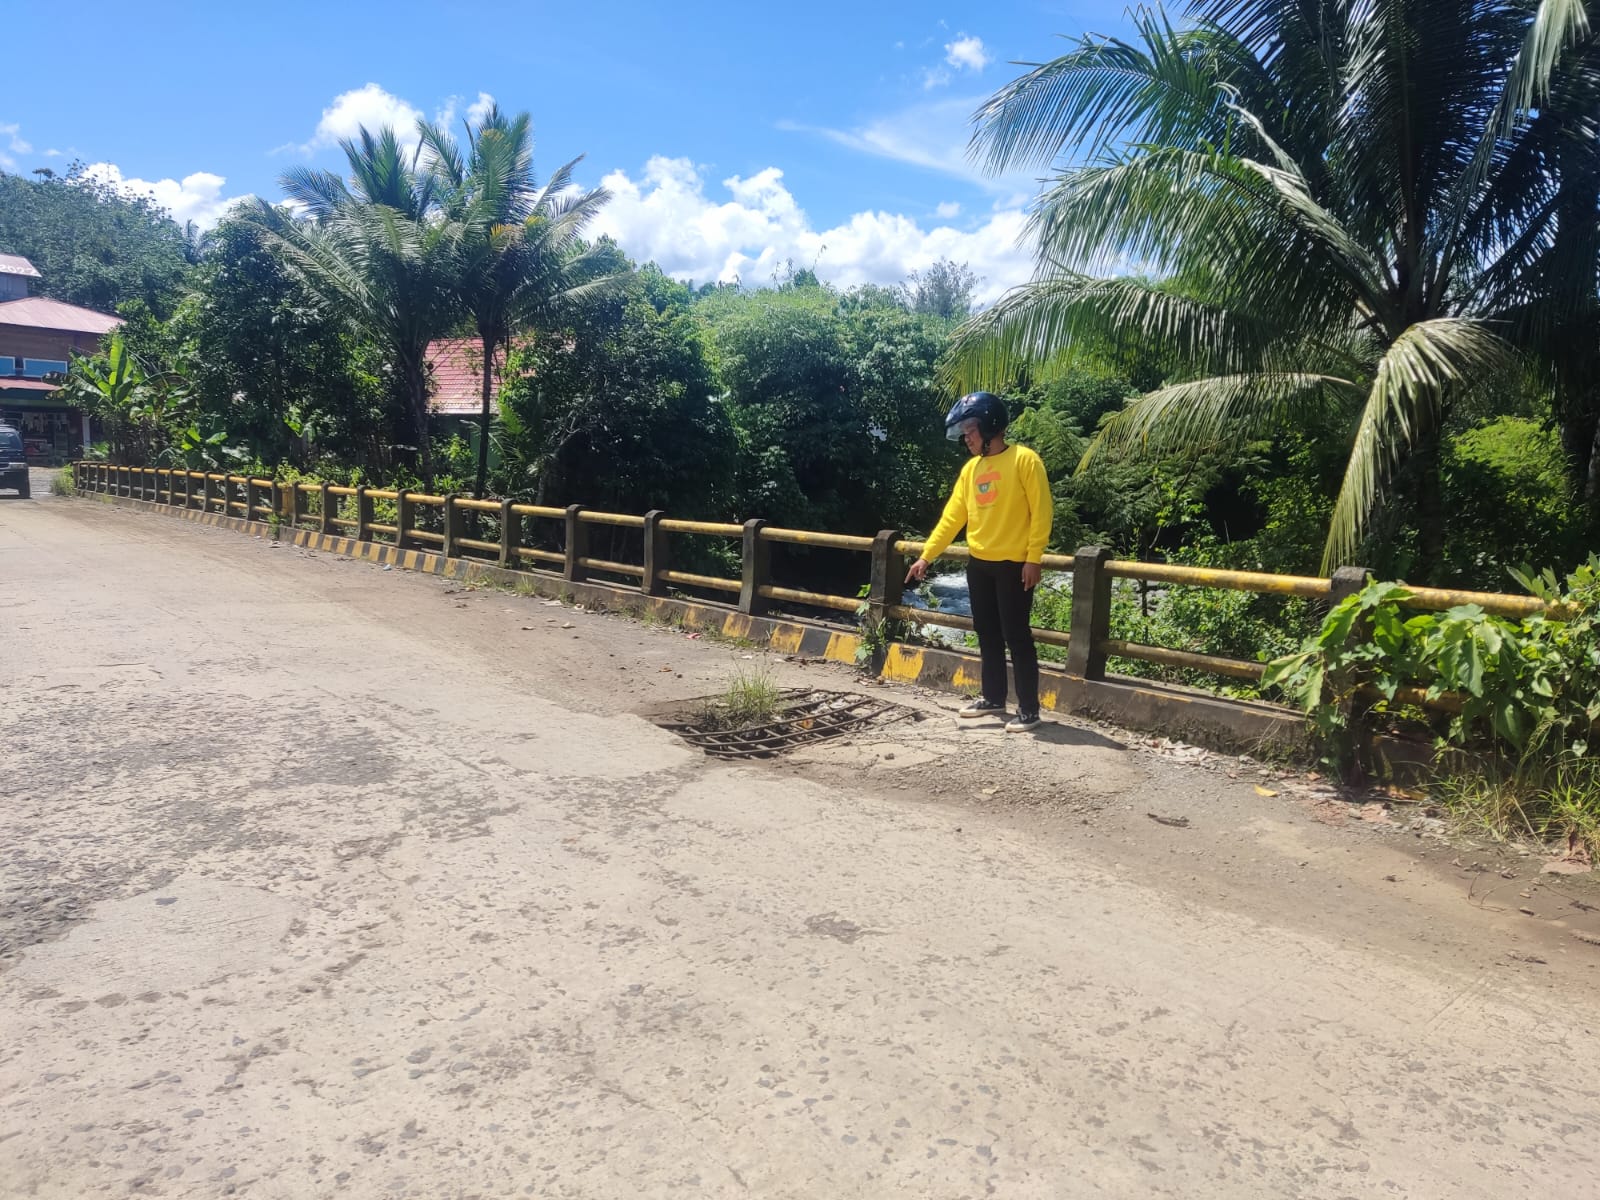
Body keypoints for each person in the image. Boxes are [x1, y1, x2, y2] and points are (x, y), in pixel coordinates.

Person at [905, 391, 1053, 732]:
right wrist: (927, 555)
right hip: (980, 563)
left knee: (1017, 636)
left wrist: (1034, 558)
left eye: (970, 430)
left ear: (990, 426)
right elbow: (952, 517)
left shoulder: (1024, 460)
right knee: (986, 632)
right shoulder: (971, 470)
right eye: (965, 431)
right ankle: (994, 698)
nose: (966, 438)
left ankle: (1029, 709)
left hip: (1015, 565)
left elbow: (1042, 513)